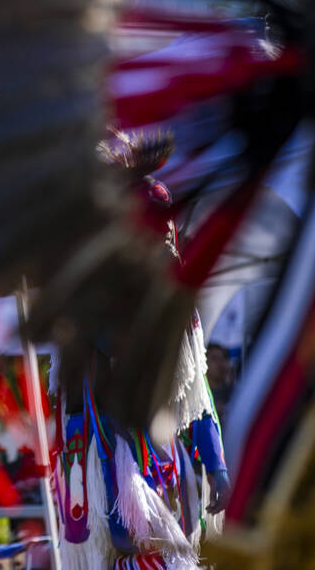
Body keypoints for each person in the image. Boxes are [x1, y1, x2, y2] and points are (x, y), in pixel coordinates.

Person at [53, 132, 229, 570]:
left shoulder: (176, 320)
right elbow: (73, 413)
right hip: (107, 472)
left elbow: (197, 396)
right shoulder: (85, 329)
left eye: (168, 247)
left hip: (169, 475)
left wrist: (216, 465)